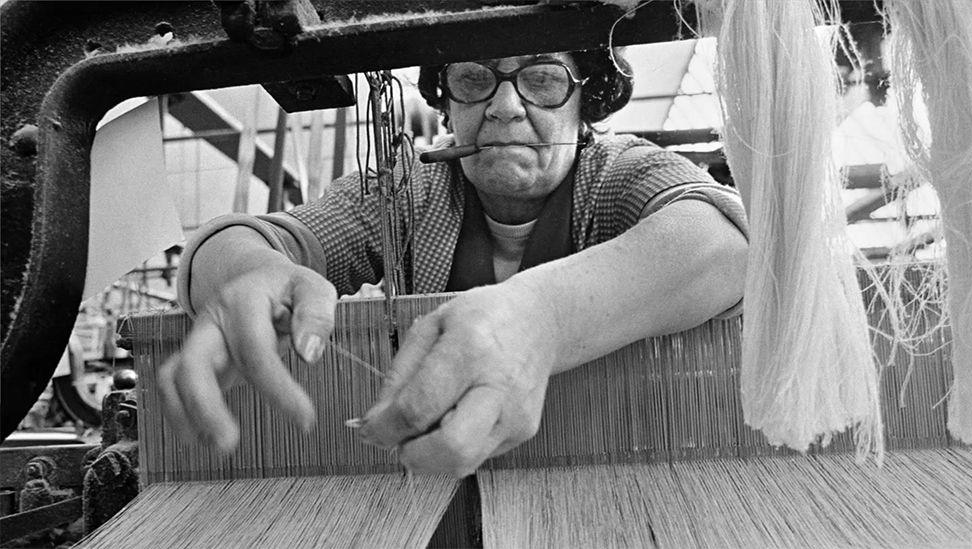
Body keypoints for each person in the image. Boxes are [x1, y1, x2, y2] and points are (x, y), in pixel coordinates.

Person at [160, 48, 748, 477]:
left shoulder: (619, 173)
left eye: (542, 80)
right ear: (447, 109)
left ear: (583, 107)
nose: (504, 108)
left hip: (617, 463)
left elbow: (726, 245)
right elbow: (254, 241)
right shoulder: (409, 190)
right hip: (434, 478)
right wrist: (247, 273)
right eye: (473, 79)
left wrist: (540, 319)